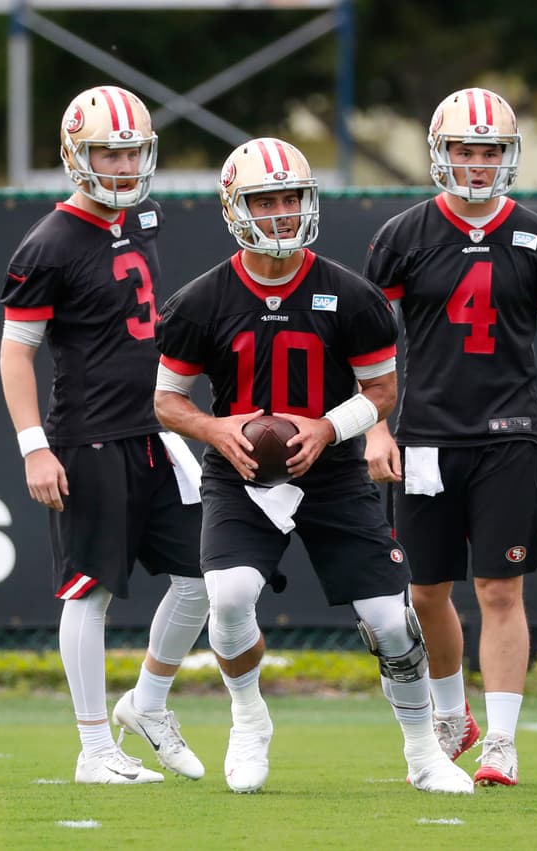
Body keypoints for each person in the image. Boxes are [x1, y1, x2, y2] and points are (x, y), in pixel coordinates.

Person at [153, 137, 473, 795]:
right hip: (240, 473)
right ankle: (248, 717)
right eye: (264, 200)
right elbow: (166, 400)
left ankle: (422, 751)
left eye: (290, 197)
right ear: (234, 207)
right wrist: (219, 428)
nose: (279, 212)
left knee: (390, 618)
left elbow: (383, 393)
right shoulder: (200, 301)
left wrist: (328, 426)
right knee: (230, 595)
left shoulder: (352, 296)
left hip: (332, 472)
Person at [362, 87, 537, 786]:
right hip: (424, 436)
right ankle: (453, 713)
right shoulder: (403, 236)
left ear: (509, 156)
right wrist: (375, 427)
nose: (477, 164)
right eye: (465, 151)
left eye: (490, 151)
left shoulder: (536, 234)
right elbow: (370, 348)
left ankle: (500, 739)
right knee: (424, 590)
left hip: (508, 431)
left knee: (500, 588)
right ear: (441, 155)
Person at [0, 85, 209, 784]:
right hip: (89, 437)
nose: (120, 167)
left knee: (204, 576)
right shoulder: (49, 243)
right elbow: (15, 350)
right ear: (73, 156)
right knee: (89, 591)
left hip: (153, 428)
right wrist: (35, 444)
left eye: (130, 152)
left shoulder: (143, 213)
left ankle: (147, 702)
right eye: (105, 153)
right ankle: (93, 748)